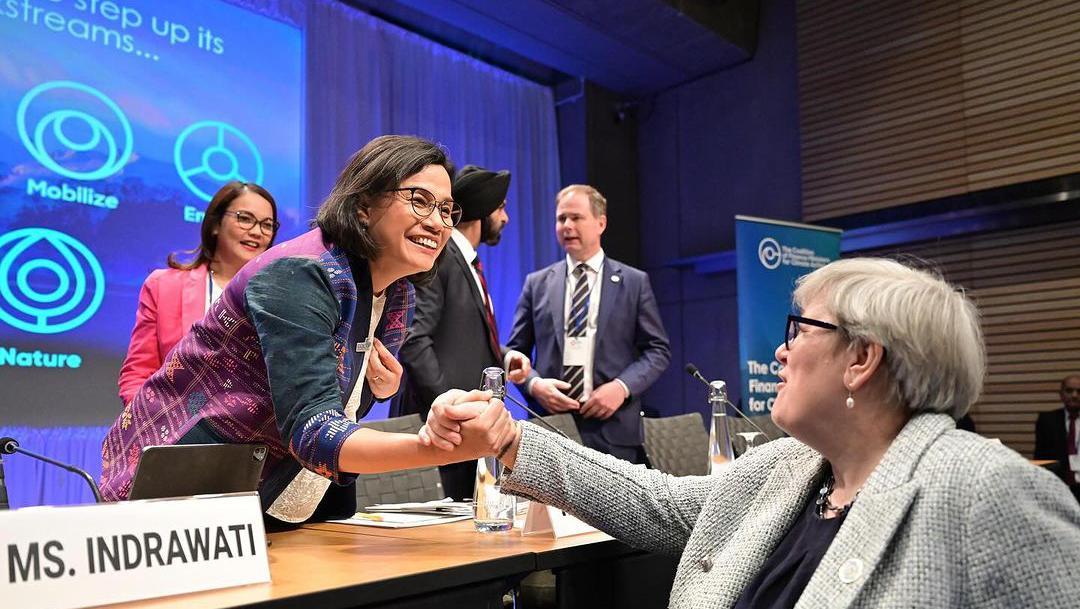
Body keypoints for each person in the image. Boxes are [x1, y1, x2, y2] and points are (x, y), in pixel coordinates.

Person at [427, 258, 1080, 608]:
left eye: (798, 330)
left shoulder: (988, 491)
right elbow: (658, 503)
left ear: (862, 358)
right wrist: (512, 438)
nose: (779, 354)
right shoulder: (794, 467)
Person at [101, 136, 517, 525]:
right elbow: (315, 430)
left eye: (446, 210)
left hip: (292, 492)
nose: (438, 223)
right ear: (362, 206)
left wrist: (379, 388)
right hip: (191, 497)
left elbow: (338, 402)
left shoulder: (398, 294)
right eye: (420, 201)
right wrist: (435, 446)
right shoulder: (298, 274)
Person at [394, 164, 531, 499]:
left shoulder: (462, 259)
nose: (506, 218)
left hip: (460, 439)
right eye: (501, 208)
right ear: (484, 210)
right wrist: (453, 412)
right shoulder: (442, 256)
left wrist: (505, 356)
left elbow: (461, 337)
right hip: (442, 434)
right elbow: (414, 340)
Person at [507, 184, 670, 463]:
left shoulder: (633, 282)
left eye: (576, 218)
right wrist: (535, 385)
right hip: (551, 426)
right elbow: (514, 353)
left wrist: (621, 387)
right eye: (561, 219)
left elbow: (657, 351)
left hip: (613, 430)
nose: (567, 226)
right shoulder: (537, 284)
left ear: (600, 223)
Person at [117, 181, 279, 404]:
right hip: (176, 428)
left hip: (255, 431)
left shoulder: (278, 298)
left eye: (267, 225)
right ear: (215, 224)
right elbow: (138, 373)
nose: (256, 231)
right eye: (245, 218)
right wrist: (149, 425)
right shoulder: (163, 286)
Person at [1035, 374, 1080, 502]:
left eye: (1079, 391)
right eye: (1069, 390)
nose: (1074, 395)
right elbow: (1040, 459)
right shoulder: (1046, 420)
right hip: (1057, 489)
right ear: (1061, 394)